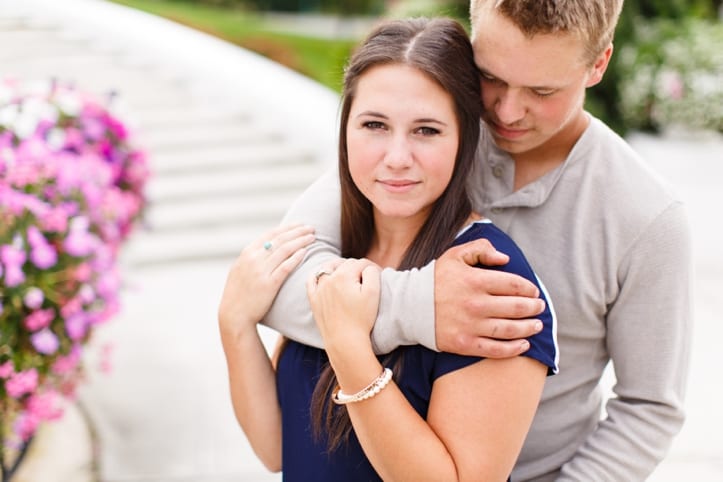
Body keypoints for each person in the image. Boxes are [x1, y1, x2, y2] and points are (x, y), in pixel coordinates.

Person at [263, 1, 693, 481]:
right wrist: (420, 307)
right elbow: (276, 282)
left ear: (599, 64)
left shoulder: (648, 217)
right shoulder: (428, 136)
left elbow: (648, 407)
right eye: (491, 77)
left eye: (542, 90)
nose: (507, 111)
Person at [219, 17, 558, 481]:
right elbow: (277, 448)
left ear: (464, 139)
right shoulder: (334, 252)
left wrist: (350, 347)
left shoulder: (489, 278)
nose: (397, 157)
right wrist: (234, 324)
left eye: (426, 131)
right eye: (374, 125)